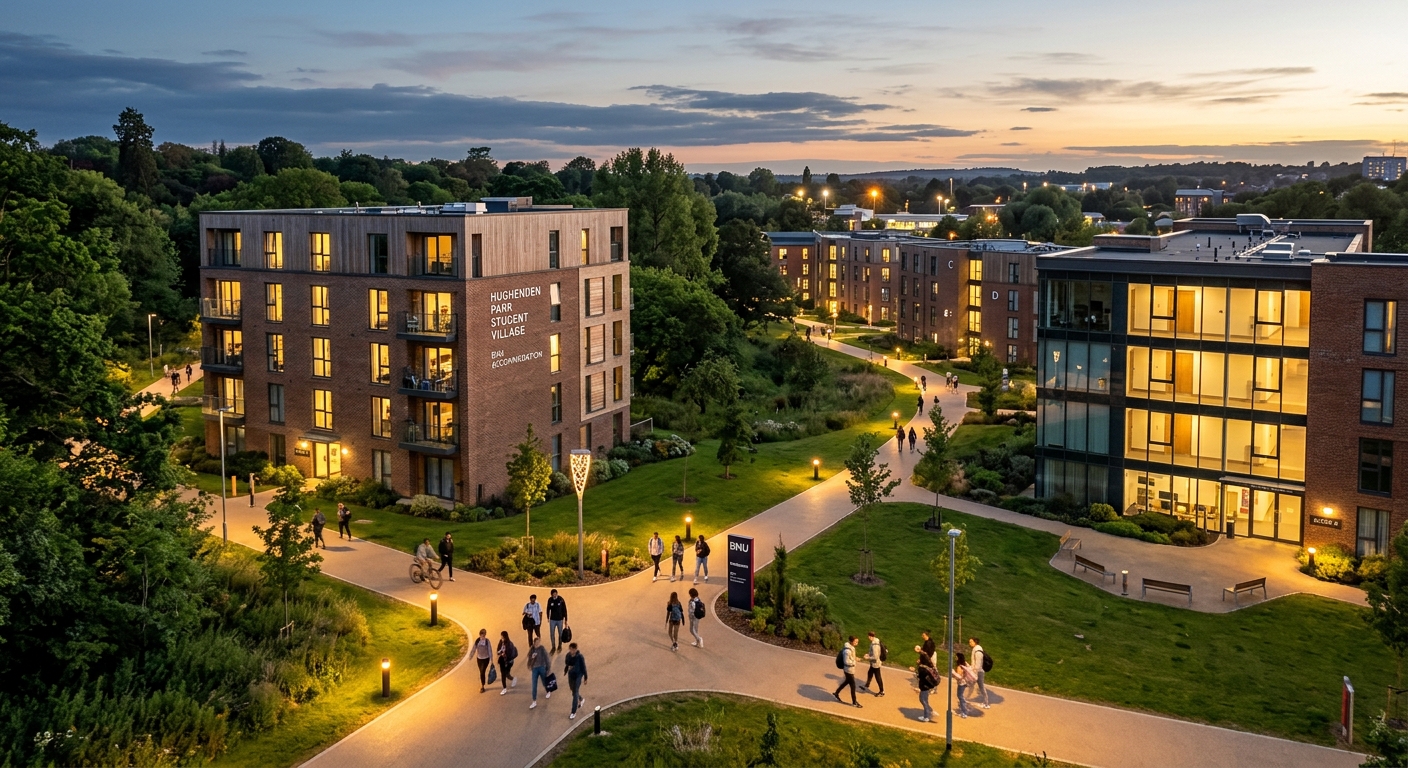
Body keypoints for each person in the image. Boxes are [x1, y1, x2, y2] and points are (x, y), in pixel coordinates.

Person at [832, 635, 861, 707]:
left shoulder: (851, 648)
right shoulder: (847, 651)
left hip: (850, 669)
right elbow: (846, 662)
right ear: (851, 641)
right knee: (853, 686)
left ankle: (836, 693)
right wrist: (854, 662)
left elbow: (851, 657)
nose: (857, 643)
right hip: (848, 670)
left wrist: (855, 658)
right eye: (856, 641)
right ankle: (854, 702)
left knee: (846, 682)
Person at [564, 642, 588, 719]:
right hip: (571, 674)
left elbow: (583, 667)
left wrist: (585, 677)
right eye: (571, 649)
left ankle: (573, 712)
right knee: (572, 689)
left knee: (575, 692)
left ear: (576, 649)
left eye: (573, 650)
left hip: (578, 675)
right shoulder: (568, 656)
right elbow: (567, 664)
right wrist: (566, 670)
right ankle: (581, 699)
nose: (572, 651)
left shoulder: (580, 657)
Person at [527, 637, 550, 709]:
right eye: (536, 643)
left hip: (542, 667)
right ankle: (534, 701)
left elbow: (546, 658)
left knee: (544, 681)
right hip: (535, 668)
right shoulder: (532, 649)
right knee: (534, 684)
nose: (537, 644)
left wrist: (548, 668)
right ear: (534, 643)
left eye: (538, 642)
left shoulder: (542, 648)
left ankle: (548, 690)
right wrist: (531, 658)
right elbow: (529, 657)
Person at [916, 652, 940, 722]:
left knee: (922, 700)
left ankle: (926, 716)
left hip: (924, 686)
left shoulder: (922, 668)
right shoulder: (929, 666)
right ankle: (931, 710)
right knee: (925, 700)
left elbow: (920, 677)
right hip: (928, 686)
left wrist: (916, 668)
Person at [968, 637, 991, 709]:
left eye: (971, 642)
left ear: (975, 642)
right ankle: (966, 698)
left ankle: (986, 703)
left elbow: (978, 664)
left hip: (978, 672)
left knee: (981, 687)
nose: (970, 643)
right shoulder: (975, 649)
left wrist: (973, 673)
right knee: (971, 685)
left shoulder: (978, 651)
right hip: (976, 671)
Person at [861, 631, 885, 696]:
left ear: (870, 636)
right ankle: (867, 685)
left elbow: (875, 656)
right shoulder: (876, 641)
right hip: (874, 663)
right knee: (870, 673)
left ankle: (882, 691)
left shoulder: (875, 645)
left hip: (875, 664)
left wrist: (868, 658)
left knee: (878, 677)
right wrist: (868, 654)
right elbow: (873, 653)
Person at [953, 652, 976, 718]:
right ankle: (963, 709)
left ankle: (964, 711)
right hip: (965, 682)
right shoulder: (965, 663)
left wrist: (953, 673)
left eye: (956, 657)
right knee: (960, 696)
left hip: (961, 683)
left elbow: (959, 677)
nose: (955, 658)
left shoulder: (959, 667)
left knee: (960, 696)